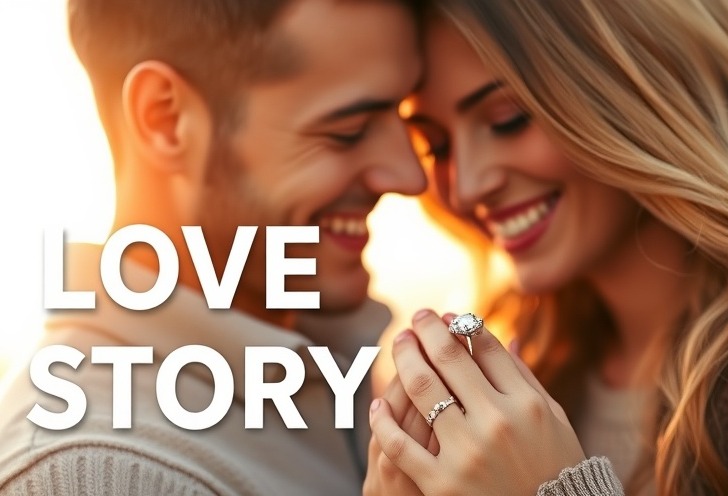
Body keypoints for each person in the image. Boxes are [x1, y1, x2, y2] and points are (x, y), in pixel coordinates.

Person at [364, 0, 728, 495]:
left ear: (638, 81)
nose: (468, 185)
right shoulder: (537, 365)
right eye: (437, 145)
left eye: (507, 119)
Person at [0, 0, 426, 494]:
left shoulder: (331, 371)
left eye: (405, 117)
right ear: (166, 119)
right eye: (346, 133)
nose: (410, 175)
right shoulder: (91, 474)